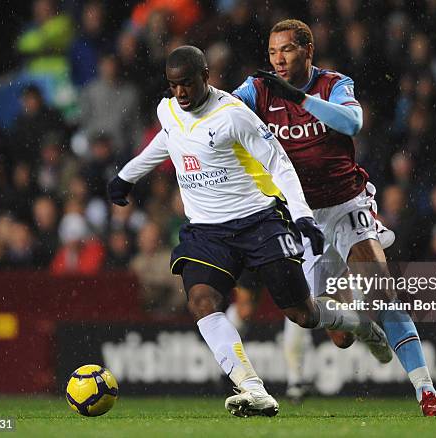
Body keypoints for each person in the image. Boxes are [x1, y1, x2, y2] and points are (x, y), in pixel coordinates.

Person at [107, 45, 389, 418]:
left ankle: (361, 326)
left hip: (258, 222)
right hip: (206, 231)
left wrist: (302, 216)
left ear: (205, 76)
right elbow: (168, 138)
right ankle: (252, 387)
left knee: (301, 314)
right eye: (173, 85)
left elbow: (280, 163)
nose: (180, 93)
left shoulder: (234, 115)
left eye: (187, 84)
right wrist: (127, 176)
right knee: (202, 301)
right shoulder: (169, 109)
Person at [232, 19, 436, 416]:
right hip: (303, 216)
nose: (278, 60)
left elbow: (352, 122)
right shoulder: (258, 89)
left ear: (308, 51)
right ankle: (367, 330)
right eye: (273, 52)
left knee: (382, 292)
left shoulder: (334, 84)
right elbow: (225, 113)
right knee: (339, 336)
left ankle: (427, 393)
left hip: (347, 204)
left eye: (287, 50)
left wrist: (298, 98)